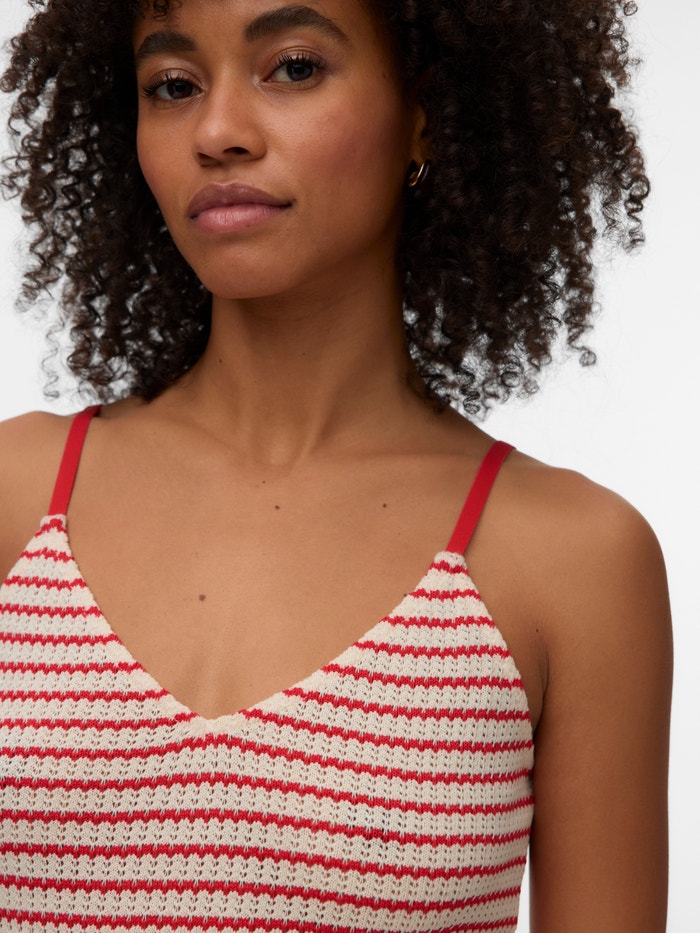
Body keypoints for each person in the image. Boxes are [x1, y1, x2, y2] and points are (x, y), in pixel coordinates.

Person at [0, 0, 672, 930]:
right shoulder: (18, 497)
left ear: (426, 112)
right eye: (173, 85)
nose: (218, 131)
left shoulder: (571, 564)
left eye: (294, 68)